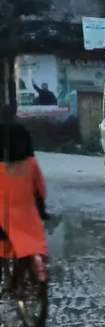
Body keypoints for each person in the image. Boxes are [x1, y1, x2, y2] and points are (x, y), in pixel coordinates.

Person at [0, 105, 48, 274]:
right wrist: (41, 205)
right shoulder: (22, 131)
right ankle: (37, 264)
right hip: (25, 195)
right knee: (32, 236)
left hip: (4, 201)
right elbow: (40, 187)